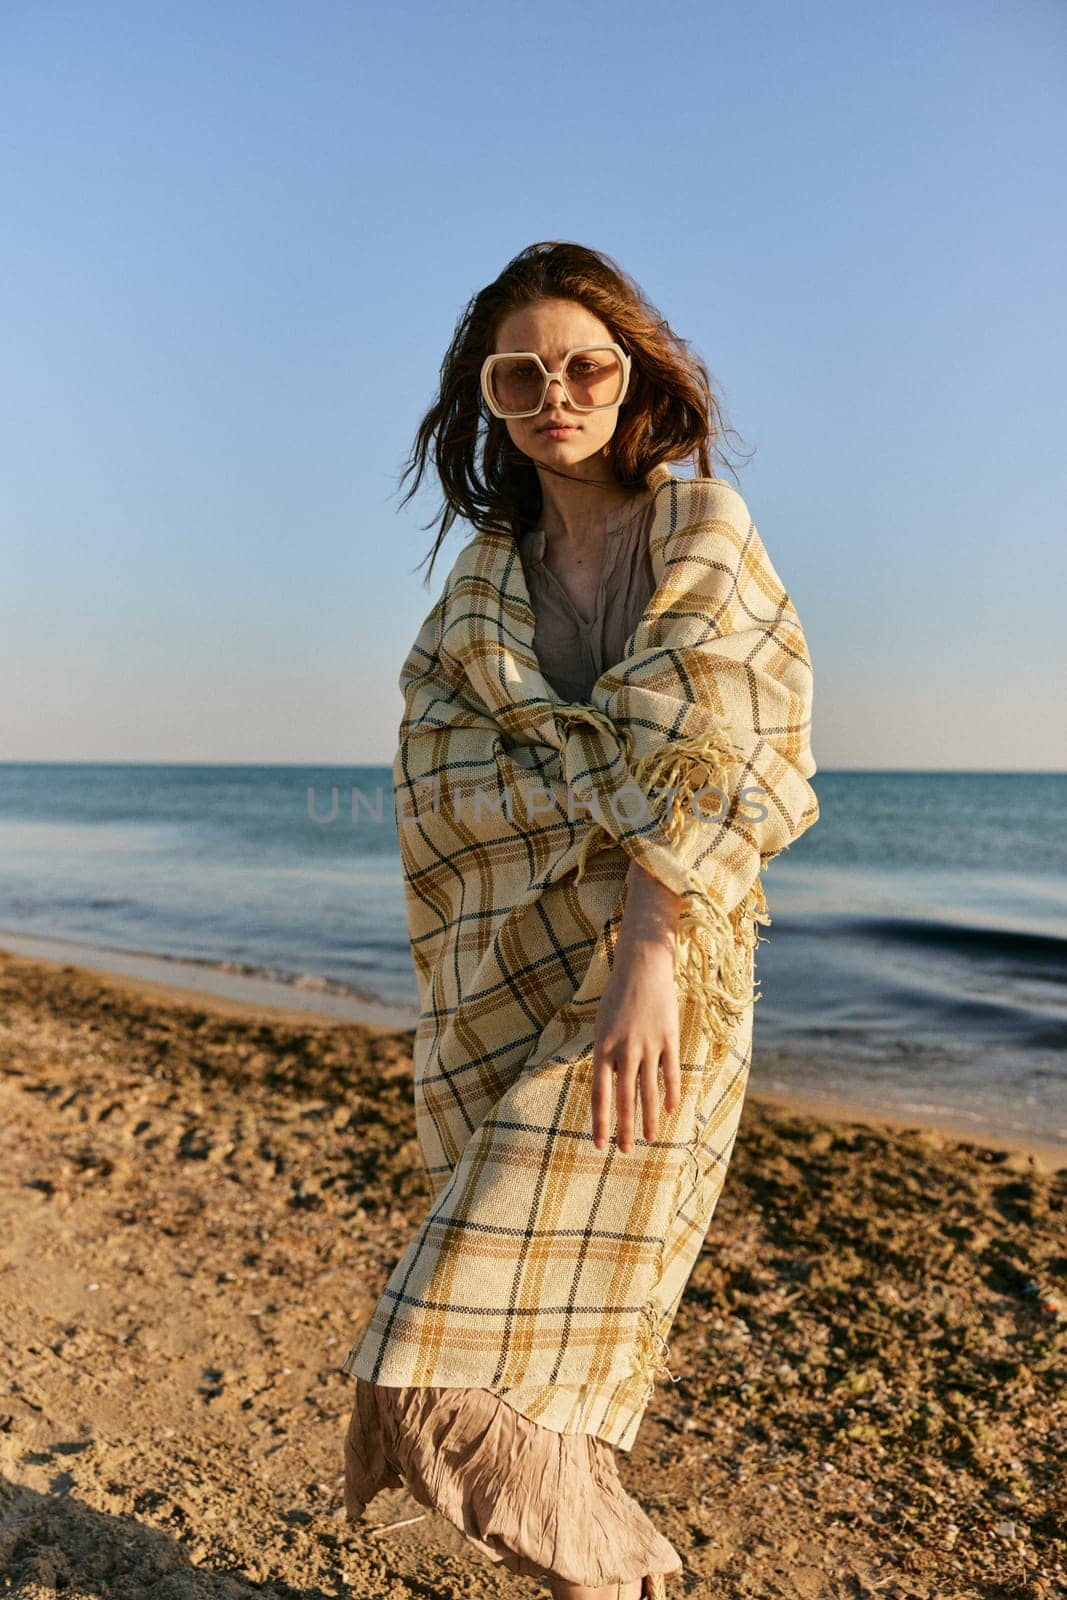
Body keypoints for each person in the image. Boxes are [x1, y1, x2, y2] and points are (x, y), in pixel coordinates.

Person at [339, 241, 820, 1600]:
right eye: (521, 372)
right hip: (511, 966)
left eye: (586, 364)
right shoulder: (481, 582)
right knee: (512, 1341)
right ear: (485, 400)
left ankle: (623, 1573)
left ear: (634, 377)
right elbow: (439, 769)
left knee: (461, 1351)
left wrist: (648, 956)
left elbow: (726, 752)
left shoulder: (702, 530)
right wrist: (593, 791)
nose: (558, 389)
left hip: (662, 989)